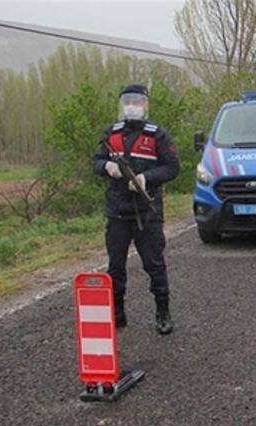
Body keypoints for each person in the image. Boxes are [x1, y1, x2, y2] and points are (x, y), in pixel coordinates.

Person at [92, 84, 180, 334]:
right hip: (117, 212)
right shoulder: (111, 133)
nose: (132, 106)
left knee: (155, 264)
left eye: (137, 101)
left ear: (145, 105)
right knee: (115, 267)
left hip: (147, 212)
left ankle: (163, 312)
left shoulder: (157, 135)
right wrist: (106, 167)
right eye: (128, 101)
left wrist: (146, 178)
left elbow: (172, 167)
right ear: (122, 104)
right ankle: (117, 314)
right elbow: (95, 161)